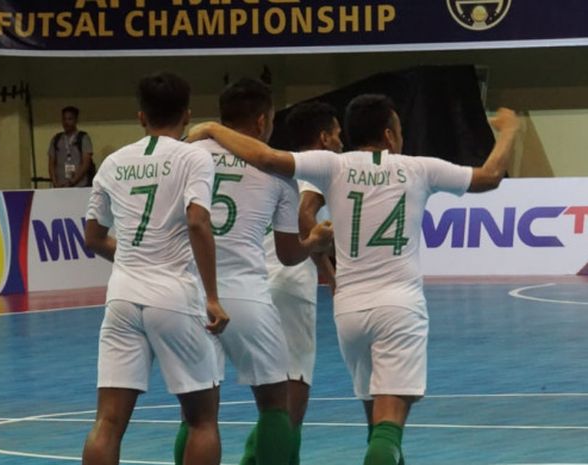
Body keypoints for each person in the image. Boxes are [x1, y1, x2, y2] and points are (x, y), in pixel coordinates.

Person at [188, 94, 519, 465]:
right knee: (388, 425)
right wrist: (510, 131)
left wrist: (214, 129)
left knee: (376, 425)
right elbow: (490, 176)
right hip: (398, 305)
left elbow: (267, 158)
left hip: (349, 310)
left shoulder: (333, 165)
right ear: (390, 136)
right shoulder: (419, 168)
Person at [82, 72, 230, 465]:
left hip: (123, 297)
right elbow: (198, 221)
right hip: (174, 295)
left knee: (108, 422)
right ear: (187, 115)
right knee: (202, 420)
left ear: (140, 116)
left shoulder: (113, 163)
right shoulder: (193, 157)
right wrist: (212, 297)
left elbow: (93, 238)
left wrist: (136, 253)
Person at [192, 78, 334, 465]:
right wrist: (317, 244)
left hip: (189, 291)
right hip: (251, 289)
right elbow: (290, 251)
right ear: (260, 121)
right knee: (278, 404)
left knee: (197, 415)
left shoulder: (185, 156)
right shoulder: (280, 170)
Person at [262, 101, 342, 464]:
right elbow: (304, 214)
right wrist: (329, 271)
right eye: (338, 136)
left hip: (257, 277)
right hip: (290, 279)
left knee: (272, 391)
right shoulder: (317, 171)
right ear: (324, 138)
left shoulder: (277, 170)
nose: (342, 143)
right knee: (295, 387)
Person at [48, 106, 93, 188]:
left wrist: (72, 182)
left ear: (76, 120)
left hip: (80, 186)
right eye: (64, 119)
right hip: (60, 186)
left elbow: (86, 163)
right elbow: (51, 163)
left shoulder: (83, 138)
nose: (66, 122)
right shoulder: (56, 139)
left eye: (70, 119)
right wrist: (55, 183)